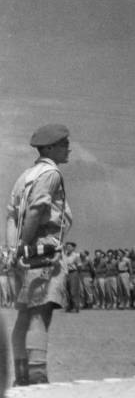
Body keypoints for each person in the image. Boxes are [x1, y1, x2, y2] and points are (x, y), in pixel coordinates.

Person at [5, 124, 73, 385]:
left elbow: (11, 215)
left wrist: (14, 249)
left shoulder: (25, 175)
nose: (68, 149)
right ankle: (37, 376)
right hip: (43, 248)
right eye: (64, 144)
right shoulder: (51, 173)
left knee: (24, 314)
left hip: (24, 253)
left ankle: (22, 377)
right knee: (40, 314)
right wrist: (25, 246)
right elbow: (36, 209)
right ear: (50, 148)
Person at [62, 242, 80, 313]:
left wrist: (77, 274)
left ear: (73, 248)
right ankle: (69, 306)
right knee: (67, 291)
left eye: (69, 247)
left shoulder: (76, 256)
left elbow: (79, 266)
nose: (68, 248)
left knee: (73, 291)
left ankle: (76, 306)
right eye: (67, 247)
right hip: (66, 274)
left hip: (73, 273)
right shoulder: (65, 255)